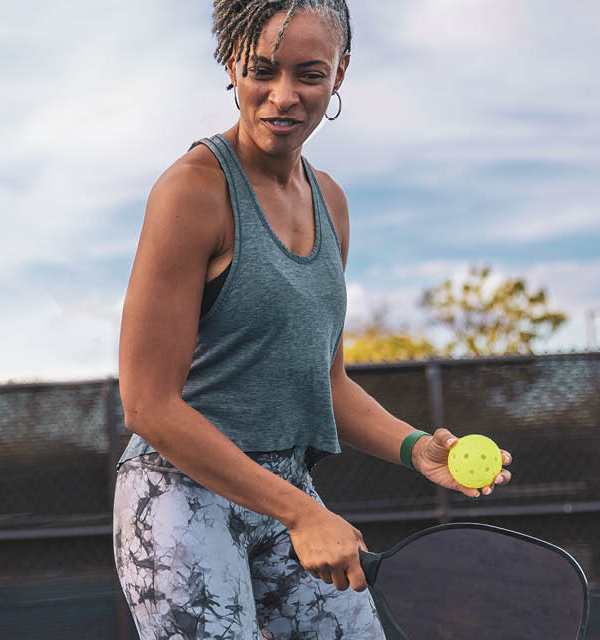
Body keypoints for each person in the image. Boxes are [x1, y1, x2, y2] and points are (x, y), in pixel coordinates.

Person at [113, 1, 513, 638]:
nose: (283, 96)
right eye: (261, 71)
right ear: (231, 65)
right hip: (178, 496)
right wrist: (301, 515)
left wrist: (418, 451)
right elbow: (149, 406)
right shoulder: (192, 191)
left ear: (340, 74)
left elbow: (325, 383)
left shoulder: (330, 201)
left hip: (287, 490)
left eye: (309, 74)